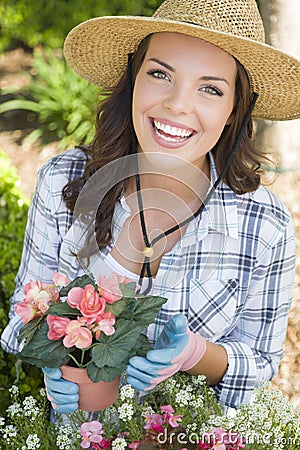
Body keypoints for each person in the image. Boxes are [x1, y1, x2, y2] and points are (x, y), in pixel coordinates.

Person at [1, 0, 300, 415]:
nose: (178, 105)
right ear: (133, 79)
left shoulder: (265, 225)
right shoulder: (64, 182)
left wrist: (196, 354)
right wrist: (50, 358)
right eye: (160, 74)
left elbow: (262, 365)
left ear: (235, 110)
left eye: (210, 88)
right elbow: (21, 316)